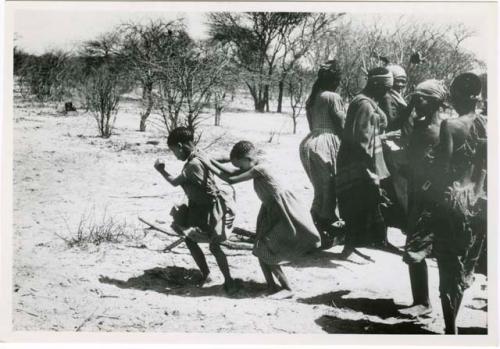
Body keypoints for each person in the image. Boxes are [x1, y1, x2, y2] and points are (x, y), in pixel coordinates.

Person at [199, 141, 321, 299]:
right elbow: (230, 172)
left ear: (247, 159)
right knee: (259, 249)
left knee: (266, 249)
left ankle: (287, 288)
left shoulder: (260, 168)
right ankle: (271, 285)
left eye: (240, 165)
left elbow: (231, 179)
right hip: (270, 209)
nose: (240, 169)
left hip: (283, 210)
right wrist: (209, 160)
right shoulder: (254, 165)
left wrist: (207, 162)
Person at [432, 73, 487, 334]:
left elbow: (443, 170)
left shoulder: (450, 126)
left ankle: (450, 329)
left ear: (457, 96)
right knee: (467, 264)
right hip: (480, 201)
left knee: (447, 264)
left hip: (454, 200)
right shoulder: (487, 125)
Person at [154, 127, 239, 294]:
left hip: (209, 210)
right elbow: (217, 160)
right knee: (190, 239)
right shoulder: (200, 154)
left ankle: (229, 281)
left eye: (174, 152)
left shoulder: (192, 165)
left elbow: (174, 182)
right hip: (200, 208)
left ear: (180, 146)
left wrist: (161, 170)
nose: (176, 156)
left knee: (214, 246)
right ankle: (208, 274)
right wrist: (232, 160)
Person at [398, 79, 448, 317]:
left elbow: (442, 167)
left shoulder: (442, 129)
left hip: (431, 197)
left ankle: (425, 303)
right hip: (417, 192)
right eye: (415, 97)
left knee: (417, 247)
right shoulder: (420, 123)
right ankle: (421, 300)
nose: (416, 101)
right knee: (414, 246)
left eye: (422, 98)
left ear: (436, 101)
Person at [336, 67, 393, 258]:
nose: (387, 92)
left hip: (356, 159)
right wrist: (369, 170)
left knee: (360, 204)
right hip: (357, 161)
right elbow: (361, 139)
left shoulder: (367, 102)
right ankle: (348, 246)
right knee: (356, 204)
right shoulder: (364, 105)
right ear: (376, 84)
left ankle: (351, 245)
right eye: (386, 87)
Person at [299, 60, 346, 249]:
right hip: (327, 143)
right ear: (335, 80)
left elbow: (312, 125)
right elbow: (341, 125)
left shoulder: (313, 98)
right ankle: (324, 231)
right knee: (330, 190)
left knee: (320, 190)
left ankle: (314, 230)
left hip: (310, 142)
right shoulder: (333, 97)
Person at [378, 64, 410, 230]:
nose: (402, 84)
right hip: (392, 147)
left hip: (396, 145)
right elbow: (393, 122)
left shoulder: (396, 96)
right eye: (398, 81)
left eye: (404, 81)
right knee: (399, 189)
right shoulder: (388, 98)